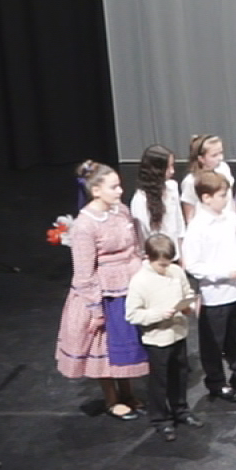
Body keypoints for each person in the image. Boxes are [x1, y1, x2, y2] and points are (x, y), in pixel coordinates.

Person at [57, 161, 148, 418]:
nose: (120, 191)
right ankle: (111, 399)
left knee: (127, 343)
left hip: (129, 285)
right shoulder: (85, 225)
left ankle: (128, 392)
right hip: (104, 292)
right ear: (96, 190)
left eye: (119, 186)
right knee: (105, 347)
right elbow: (84, 273)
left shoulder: (122, 211)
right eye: (114, 187)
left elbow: (135, 247)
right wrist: (95, 309)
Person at [184, 169, 236, 403]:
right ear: (206, 198)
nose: (226, 199)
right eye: (221, 195)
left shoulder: (230, 218)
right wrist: (223, 274)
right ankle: (217, 382)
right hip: (216, 296)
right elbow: (193, 265)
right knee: (213, 343)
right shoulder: (197, 227)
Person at [125, 232, 203, 441]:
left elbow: (187, 292)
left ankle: (181, 410)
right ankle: (161, 419)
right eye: (161, 264)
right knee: (159, 381)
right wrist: (159, 314)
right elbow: (132, 314)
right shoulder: (140, 281)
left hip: (178, 333)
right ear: (149, 258)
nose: (166, 267)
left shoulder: (175, 271)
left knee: (180, 375)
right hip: (157, 339)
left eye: (168, 263)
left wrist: (188, 305)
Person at [132, 144, 183, 257]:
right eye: (168, 167)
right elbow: (143, 234)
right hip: (156, 257)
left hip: (175, 253)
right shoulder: (140, 199)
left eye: (172, 166)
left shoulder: (172, 187)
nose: (172, 171)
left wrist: (181, 253)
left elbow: (179, 224)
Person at [179, 133, 234, 225]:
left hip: (227, 223)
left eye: (221, 153)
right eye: (214, 155)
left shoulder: (224, 169)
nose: (220, 158)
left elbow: (231, 200)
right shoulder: (191, 181)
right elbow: (189, 214)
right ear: (201, 159)